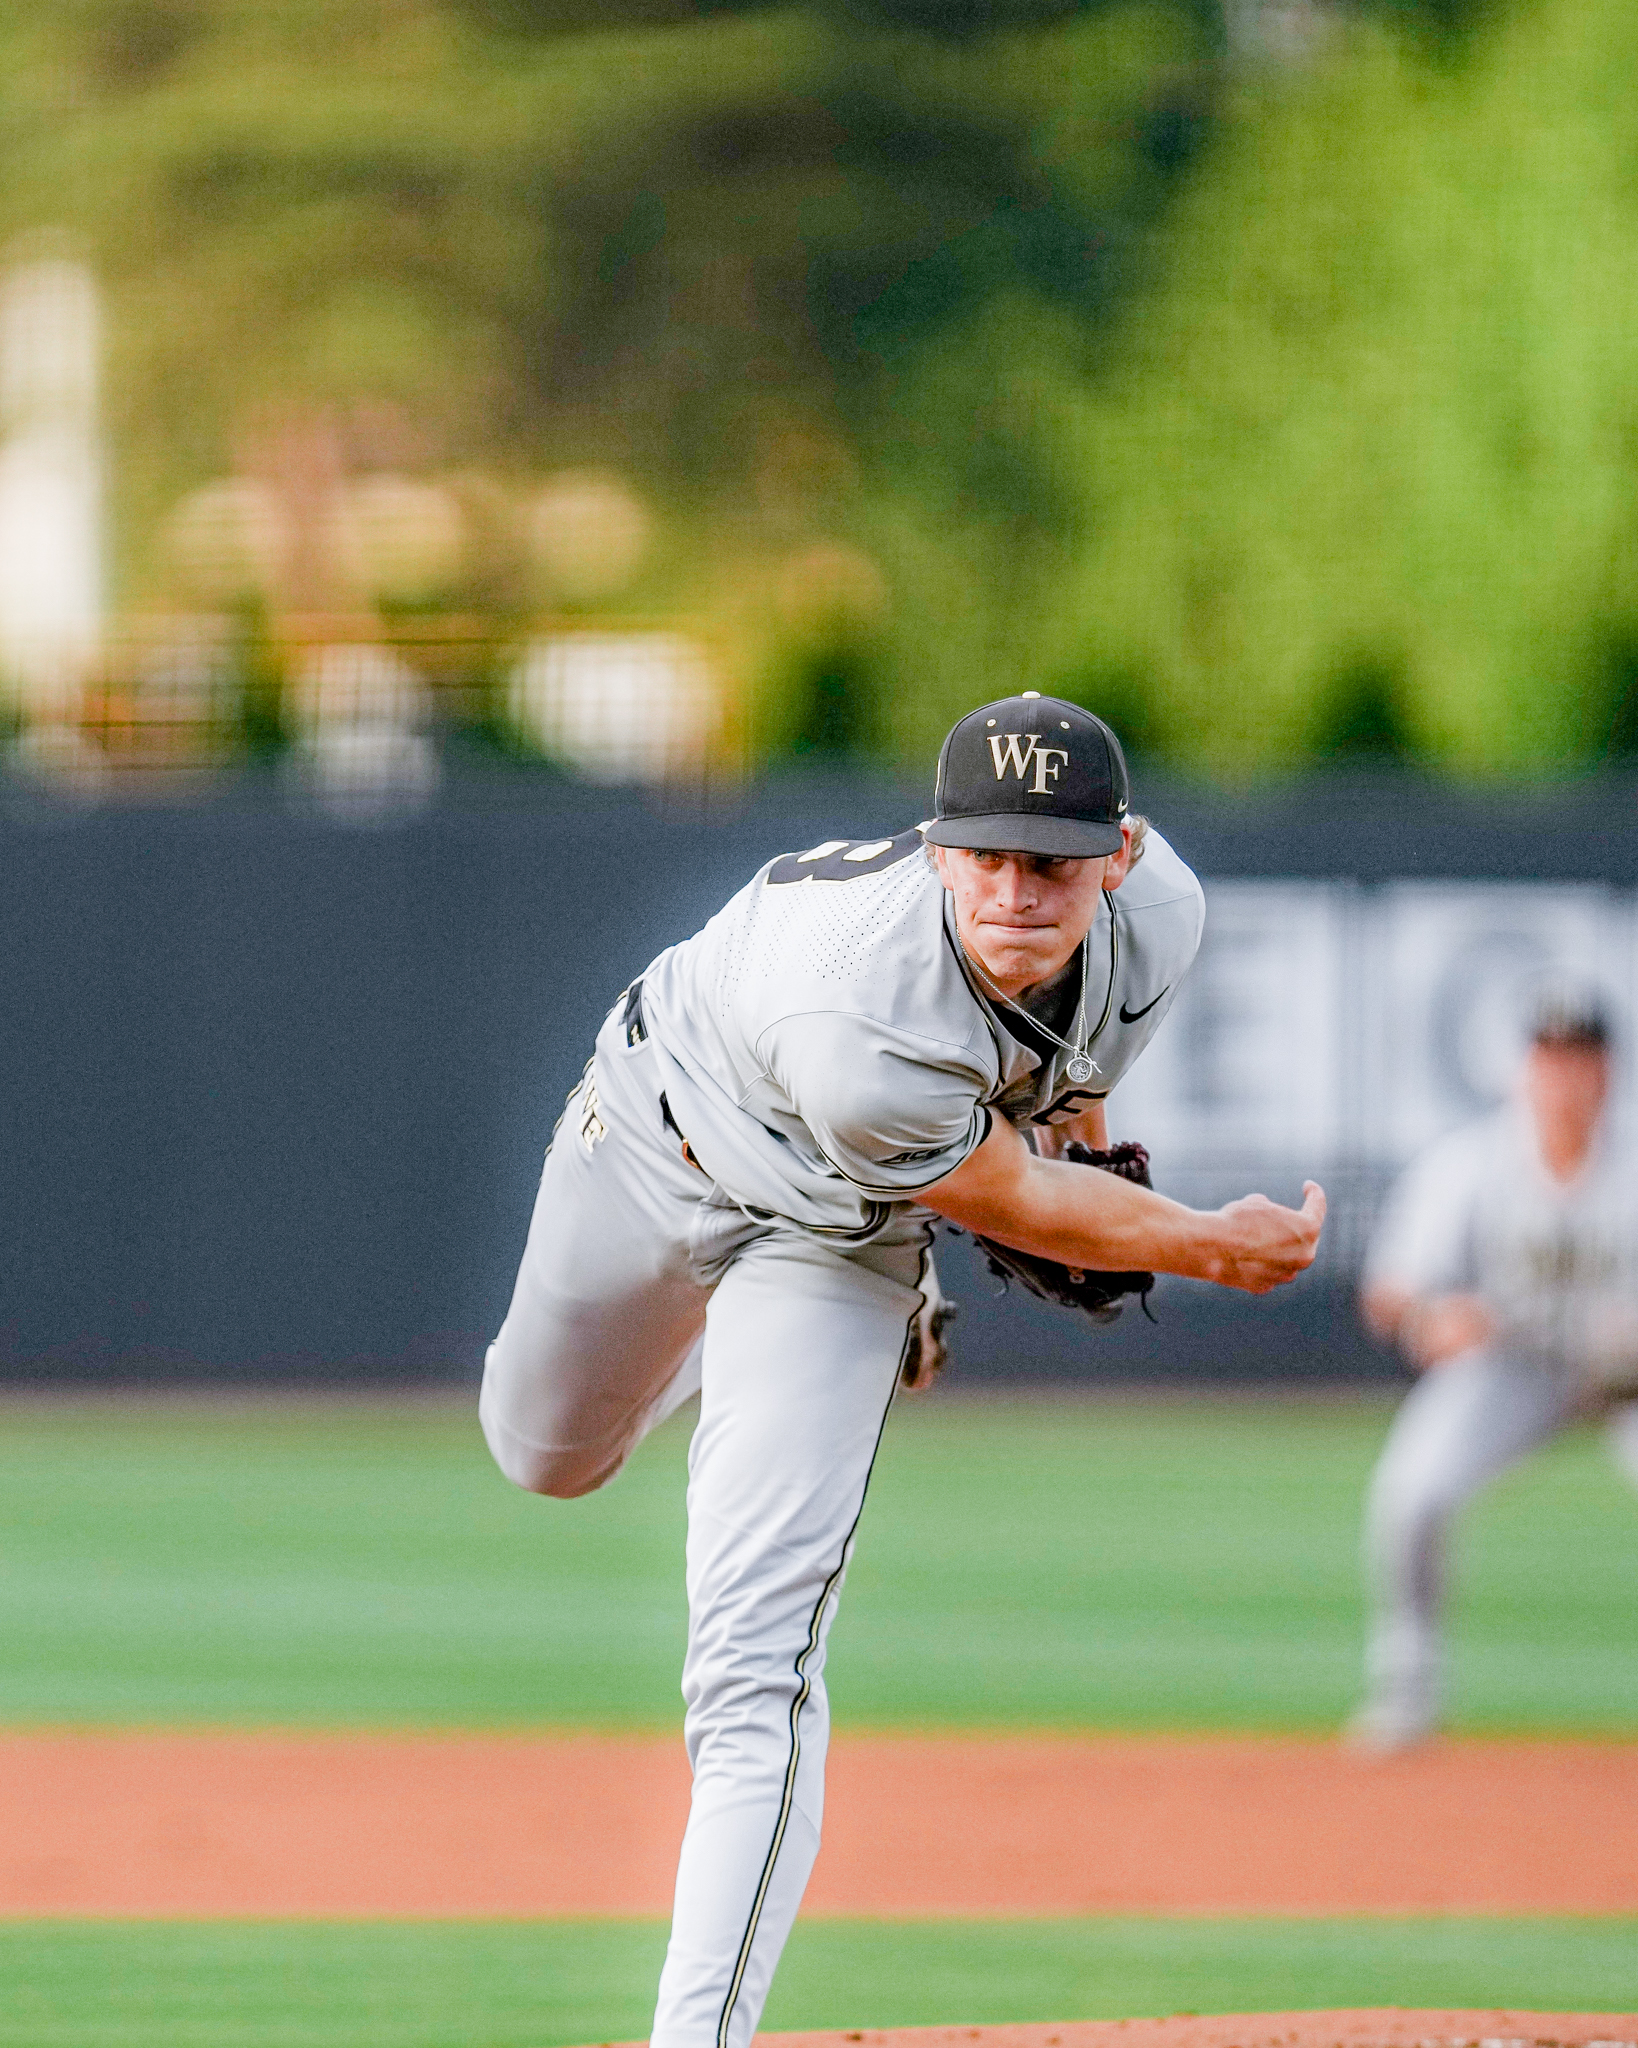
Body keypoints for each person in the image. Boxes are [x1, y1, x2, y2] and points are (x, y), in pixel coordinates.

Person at [480, 690, 1325, 2048]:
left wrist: (1079, 1149)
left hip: (833, 1240)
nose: (1012, 889)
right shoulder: (857, 1010)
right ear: (934, 849)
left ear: (1119, 854)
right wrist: (1205, 1244)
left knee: (750, 1671)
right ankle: (784, 1351)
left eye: (1049, 860)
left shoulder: (1162, 918)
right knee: (542, 1455)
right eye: (984, 853)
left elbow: (1067, 1096)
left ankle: (691, 2038)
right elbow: (1026, 1204)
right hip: (656, 1140)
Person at [1351, 984, 1638, 1751]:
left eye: (1580, 1057)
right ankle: (1408, 1690)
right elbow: (1391, 1293)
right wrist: (1431, 1318)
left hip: (1629, 1380)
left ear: (1607, 1070)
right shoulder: (1471, 1162)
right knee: (1411, 1496)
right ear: (1525, 1067)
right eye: (1550, 1056)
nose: (1565, 1075)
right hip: (1515, 1370)